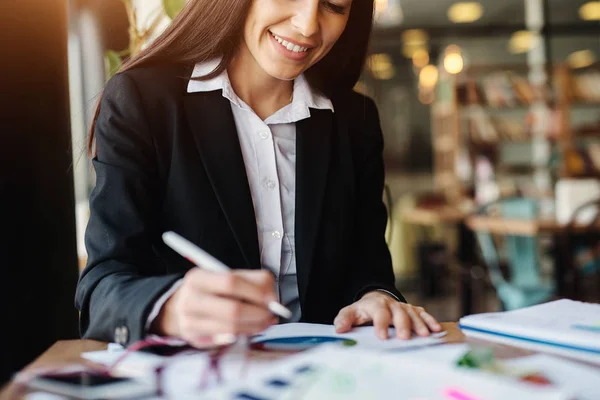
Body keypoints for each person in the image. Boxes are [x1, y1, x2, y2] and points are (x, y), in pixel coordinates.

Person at [75, 0, 442, 348]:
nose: (308, 25)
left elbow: (370, 269)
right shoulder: (143, 101)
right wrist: (170, 308)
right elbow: (102, 288)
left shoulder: (354, 121)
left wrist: (378, 298)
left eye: (333, 5)